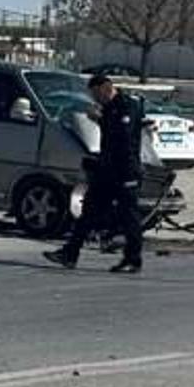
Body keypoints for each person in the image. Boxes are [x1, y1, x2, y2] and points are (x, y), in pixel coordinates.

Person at [44, 74, 144, 274]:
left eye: (97, 94)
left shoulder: (126, 106)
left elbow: (122, 137)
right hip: (107, 170)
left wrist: (100, 120)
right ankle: (69, 254)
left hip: (125, 171)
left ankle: (133, 259)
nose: (95, 99)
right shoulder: (108, 108)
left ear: (107, 88)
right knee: (88, 211)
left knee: (129, 216)